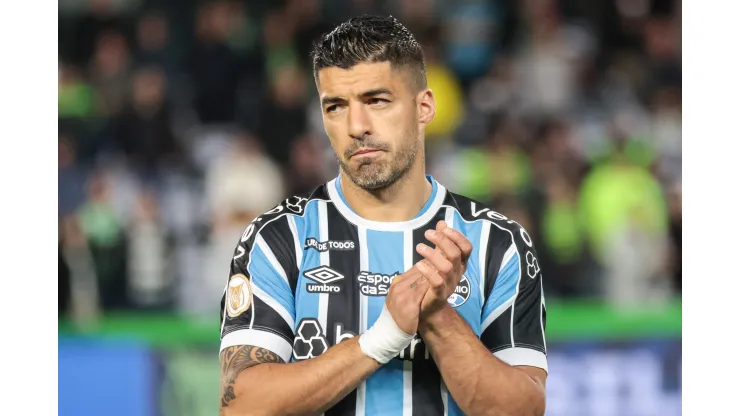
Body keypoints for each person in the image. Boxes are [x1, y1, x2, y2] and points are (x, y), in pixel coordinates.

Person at [218, 15, 547, 416]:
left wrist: (438, 317)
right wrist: (384, 336)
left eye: (376, 100)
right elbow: (241, 406)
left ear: (423, 107)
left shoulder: (497, 243)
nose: (356, 126)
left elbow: (522, 411)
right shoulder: (278, 237)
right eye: (336, 106)